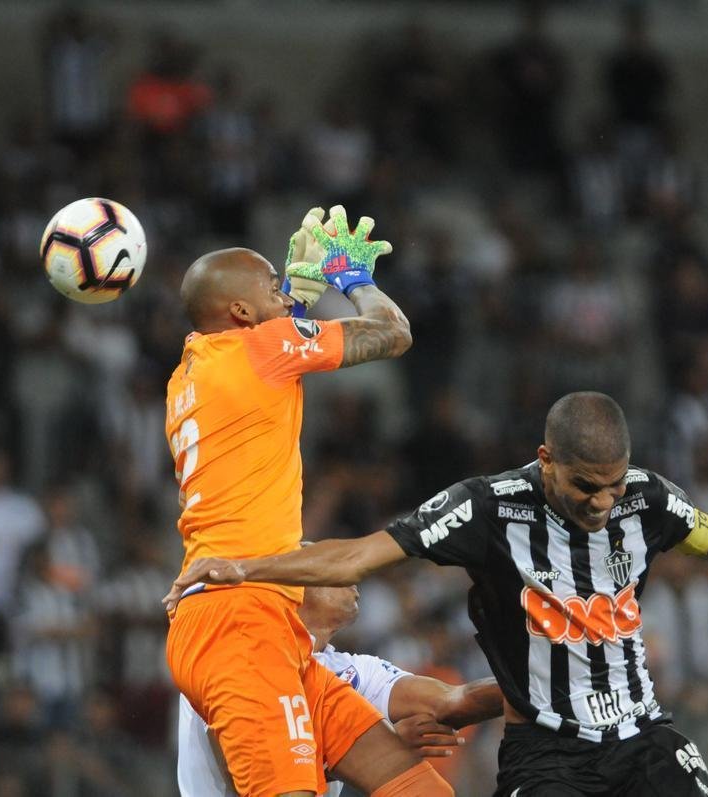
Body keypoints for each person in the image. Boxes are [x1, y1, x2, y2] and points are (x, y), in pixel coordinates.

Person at [164, 391, 708, 796]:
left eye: (613, 486)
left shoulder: (648, 499)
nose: (602, 503)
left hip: (642, 733)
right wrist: (245, 566)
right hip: (547, 753)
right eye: (586, 486)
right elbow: (361, 556)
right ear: (545, 459)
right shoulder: (486, 506)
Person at [165, 204, 452, 797]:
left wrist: (288, 300)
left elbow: (260, 356)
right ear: (242, 311)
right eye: (274, 287)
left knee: (421, 790)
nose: (288, 294)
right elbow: (392, 332)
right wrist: (354, 279)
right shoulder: (263, 348)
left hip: (255, 619)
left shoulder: (191, 369)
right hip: (240, 620)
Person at [177, 582, 504, 796]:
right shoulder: (237, 655)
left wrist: (540, 688)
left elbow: (450, 700)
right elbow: (240, 776)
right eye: (333, 570)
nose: (352, 575)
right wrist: (369, 752)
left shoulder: (352, 669)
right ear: (295, 589)